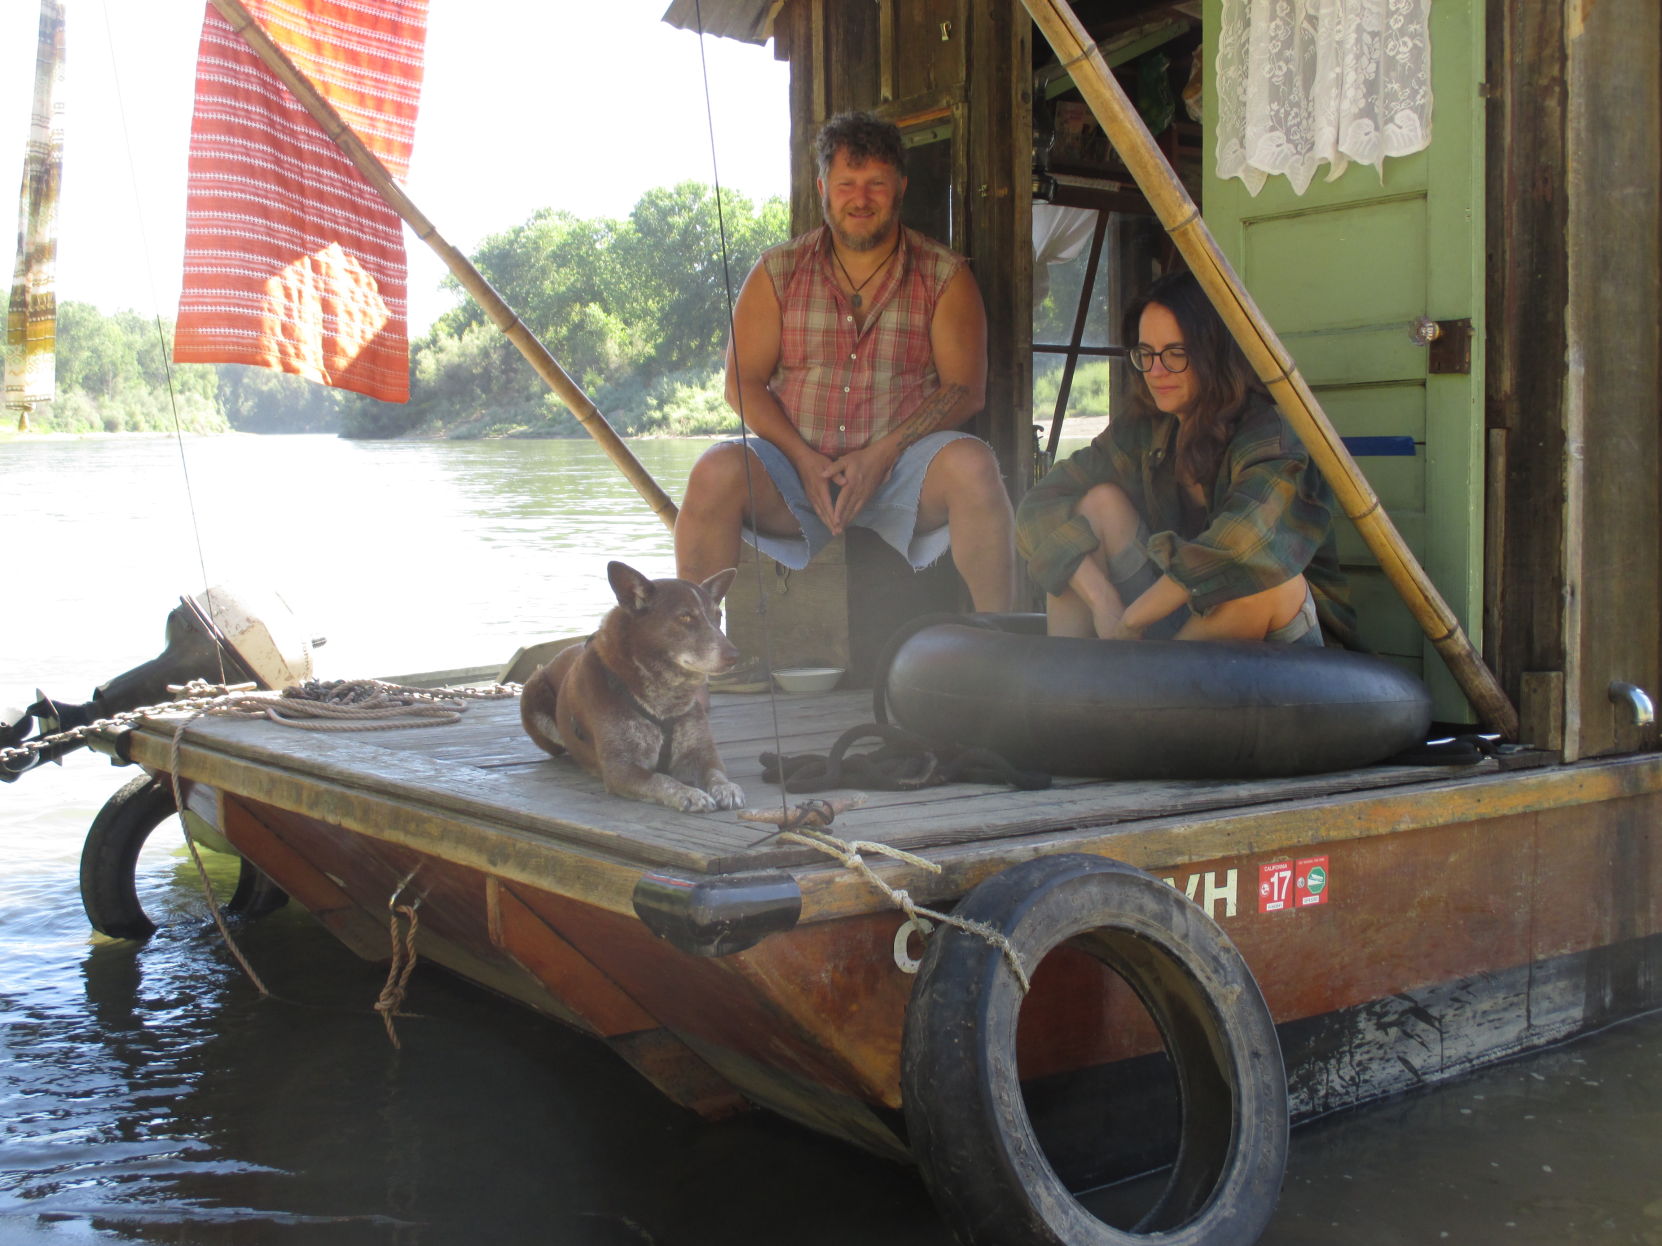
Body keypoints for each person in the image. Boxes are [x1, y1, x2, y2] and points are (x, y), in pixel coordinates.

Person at [673, 111, 1016, 661]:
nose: (862, 198)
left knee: (974, 464)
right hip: (796, 471)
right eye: (847, 184)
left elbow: (963, 391)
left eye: (876, 183)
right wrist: (803, 459)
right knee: (714, 471)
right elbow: (743, 383)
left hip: (903, 472)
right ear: (823, 190)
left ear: (900, 187)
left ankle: (999, 646)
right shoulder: (778, 270)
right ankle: (692, 659)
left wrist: (883, 453)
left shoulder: (945, 274)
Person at [1017, 269, 1355, 646]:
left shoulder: (1271, 435)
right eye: (1146, 354)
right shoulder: (1145, 428)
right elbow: (1038, 506)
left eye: (1175, 354)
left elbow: (1243, 544)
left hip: (1294, 665)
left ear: (1215, 355)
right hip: (1177, 634)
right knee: (1095, 508)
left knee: (1260, 582)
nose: (1157, 371)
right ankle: (1074, 696)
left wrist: (1131, 622)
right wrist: (1104, 602)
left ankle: (1146, 694)